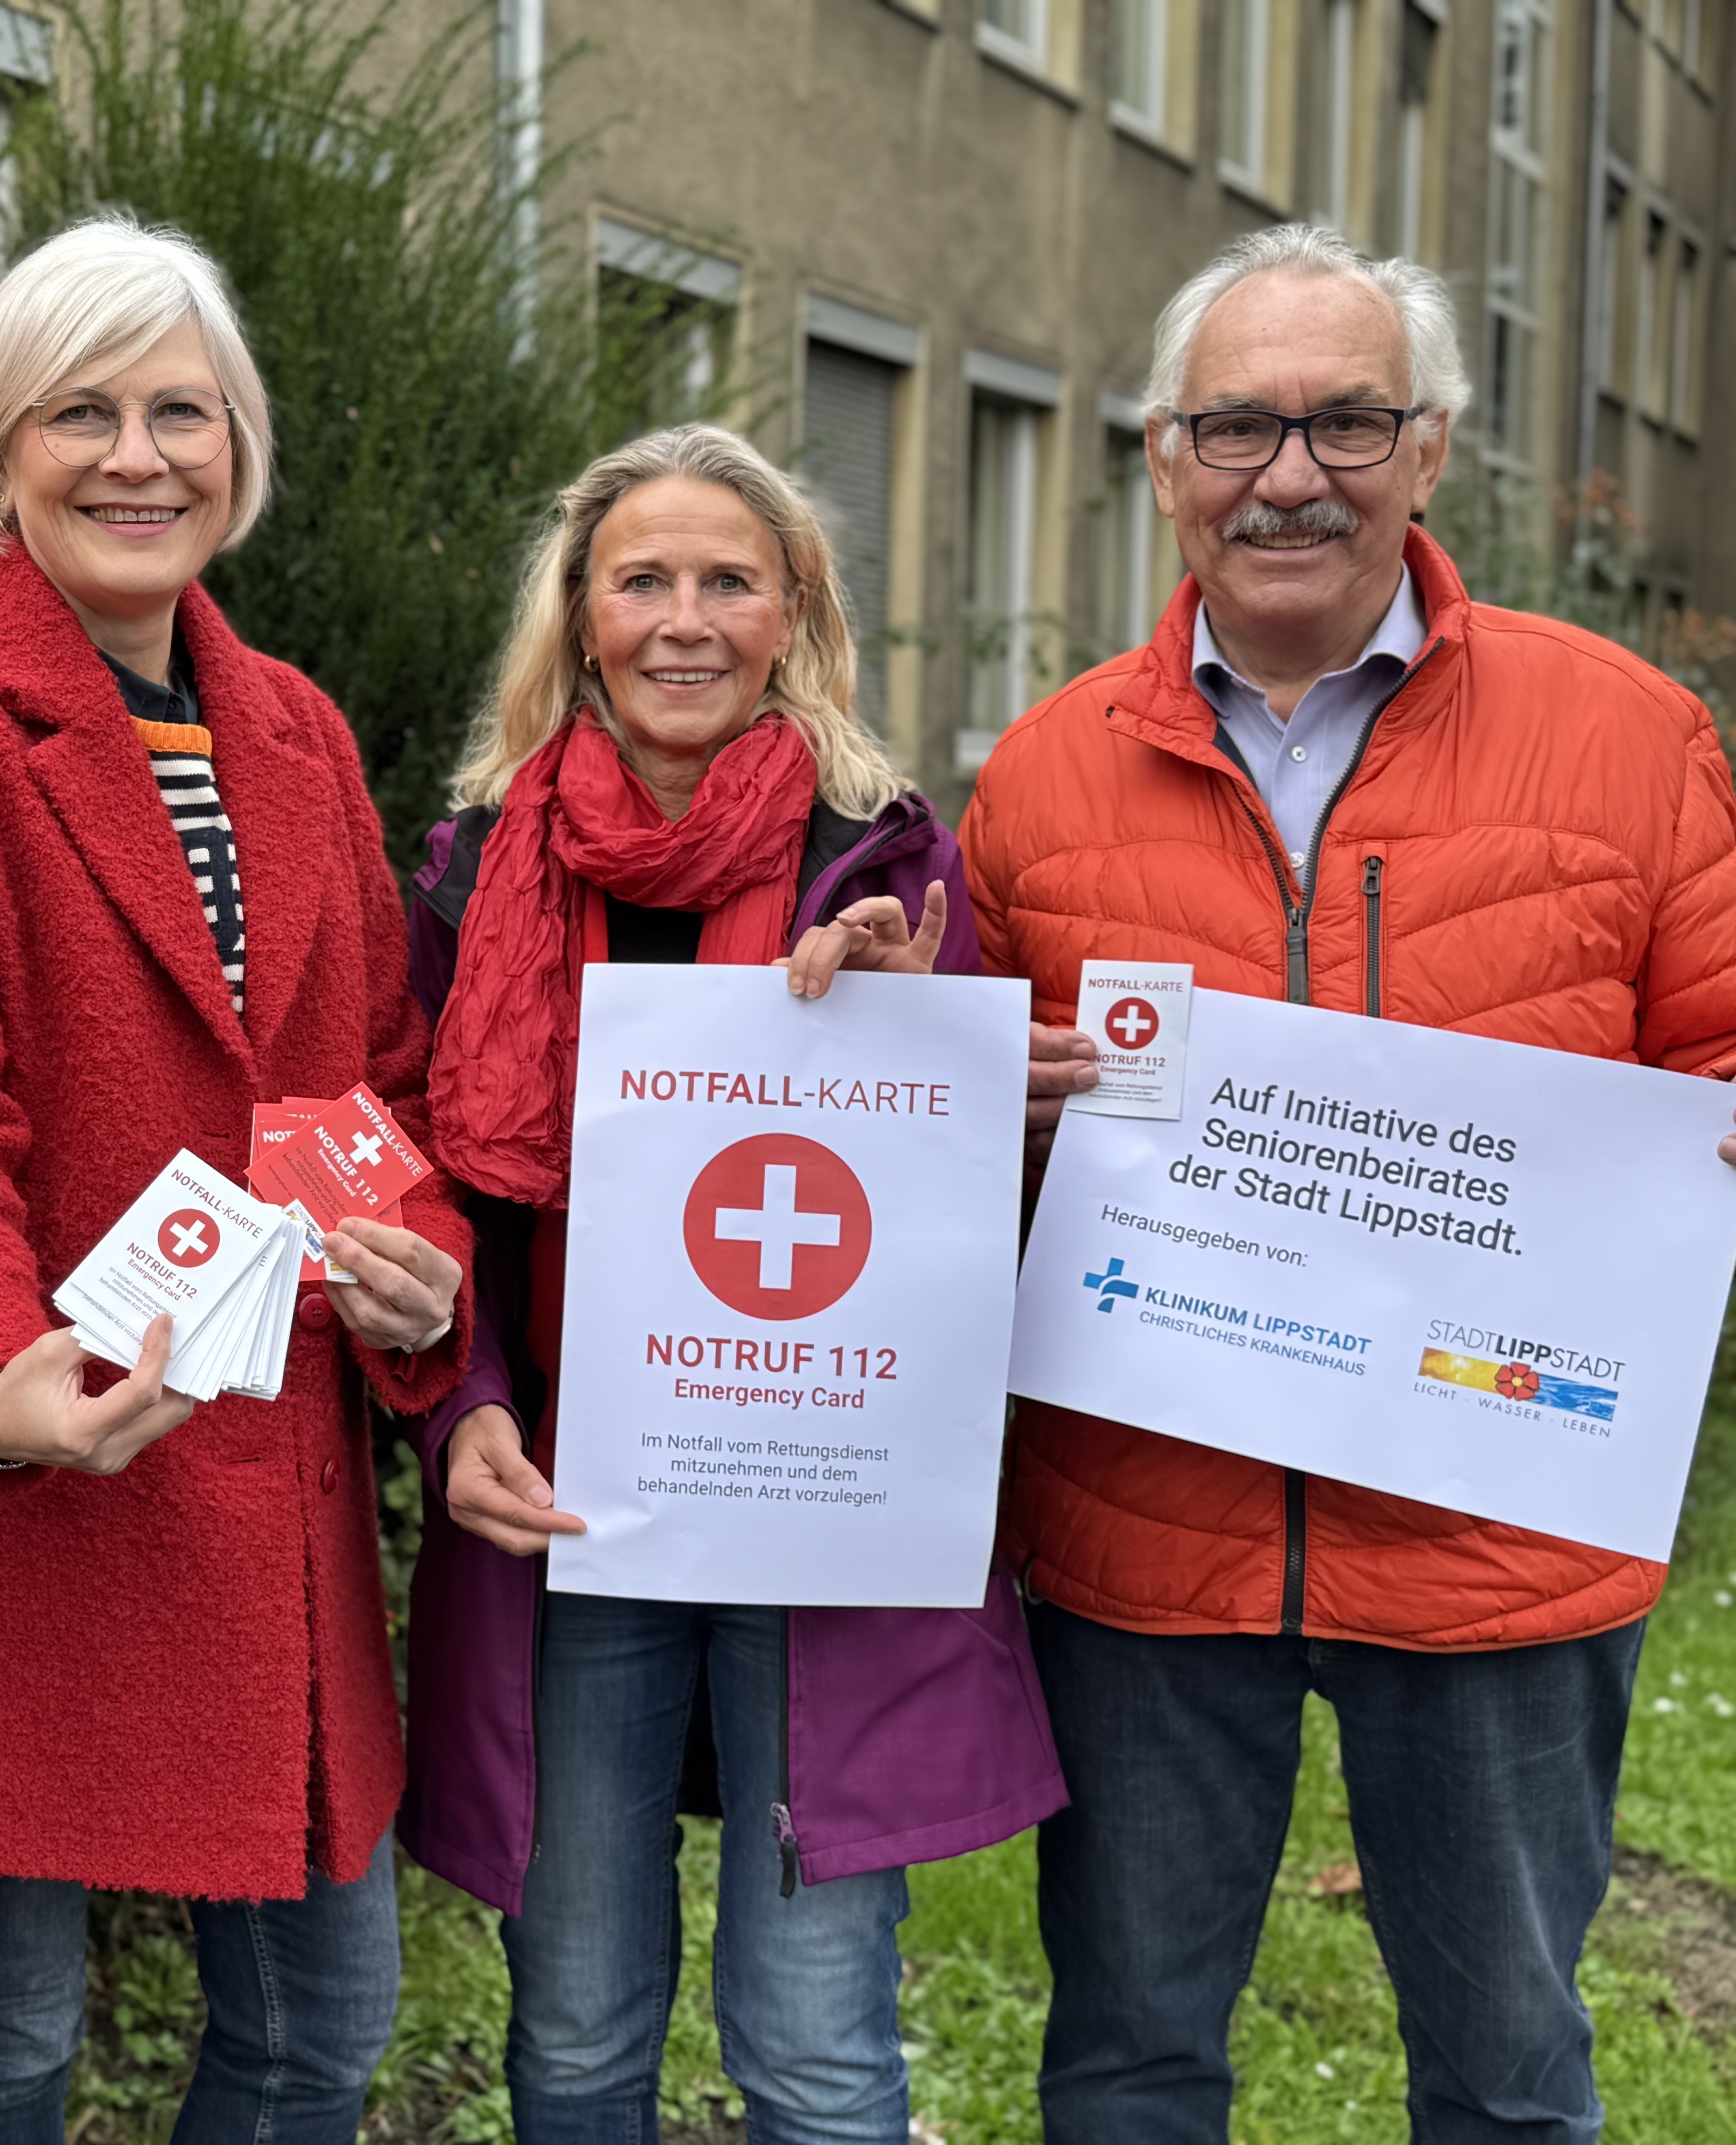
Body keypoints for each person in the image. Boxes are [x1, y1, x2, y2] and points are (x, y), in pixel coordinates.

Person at [964, 223, 1736, 2143]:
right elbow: (948, 1147)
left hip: (1493, 1536)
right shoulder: (1045, 774)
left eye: (1344, 422)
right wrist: (989, 1097)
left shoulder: (1629, 734)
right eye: (1237, 426)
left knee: (1508, 2077)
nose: (1287, 474)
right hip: (1150, 1538)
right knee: (1129, 2063)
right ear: (1162, 458)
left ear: (1431, 450)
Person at [0, 216, 471, 2145]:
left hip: (268, 1478)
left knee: (322, 2032)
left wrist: (413, 1261)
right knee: (0, 2058)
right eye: (85, 410)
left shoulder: (298, 730)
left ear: (240, 451)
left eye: (185, 409)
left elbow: (370, 1090)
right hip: (30, 1466)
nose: (141, 455)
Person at [401, 424, 1067, 2145]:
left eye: (728, 580)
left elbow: (965, 1224)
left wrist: (924, 1036)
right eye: (643, 579)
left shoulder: (895, 864)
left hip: (820, 1513)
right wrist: (462, 1402)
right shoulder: (474, 868)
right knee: (573, 2030)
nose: (683, 619)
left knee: (823, 2047)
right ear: (582, 612)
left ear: (793, 614)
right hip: (570, 1513)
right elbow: (415, 1175)